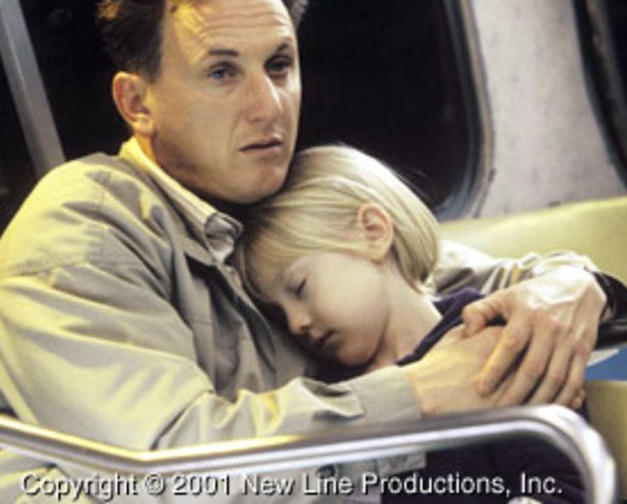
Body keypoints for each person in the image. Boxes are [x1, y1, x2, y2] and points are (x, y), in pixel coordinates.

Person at [0, 0, 627, 502]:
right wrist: (418, 394)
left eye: (279, 66)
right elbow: (171, 471)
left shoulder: (271, 205)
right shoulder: (87, 226)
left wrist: (574, 287)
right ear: (138, 103)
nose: (269, 106)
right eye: (222, 72)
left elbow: (442, 278)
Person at [237, 144, 589, 502]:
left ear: (373, 232)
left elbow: (560, 486)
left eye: (300, 288)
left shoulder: (493, 343)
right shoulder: (332, 400)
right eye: (279, 314)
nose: (295, 323)